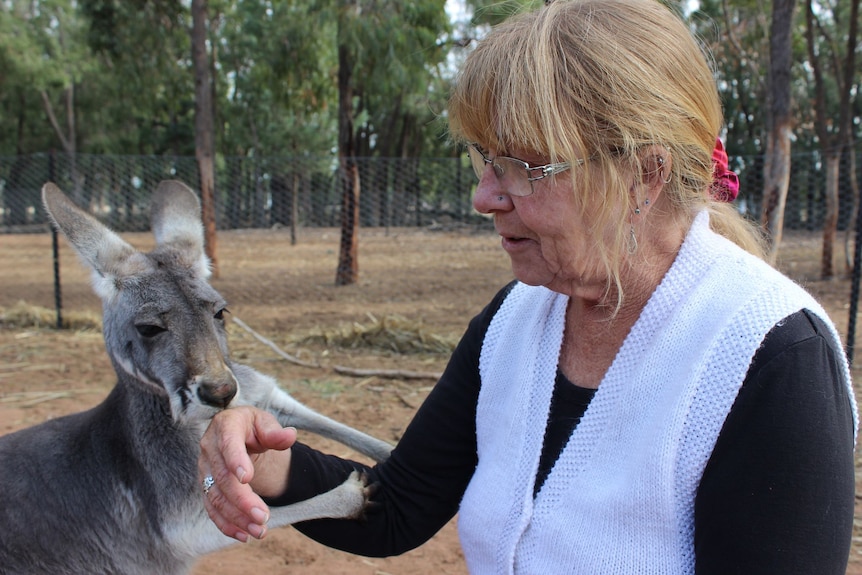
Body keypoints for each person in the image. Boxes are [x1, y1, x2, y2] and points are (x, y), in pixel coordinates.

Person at [199, 0, 858, 572]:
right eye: (488, 160)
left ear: (645, 176)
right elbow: (396, 505)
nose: (485, 195)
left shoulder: (770, 361)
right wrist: (264, 460)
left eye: (524, 166)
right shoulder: (518, 321)